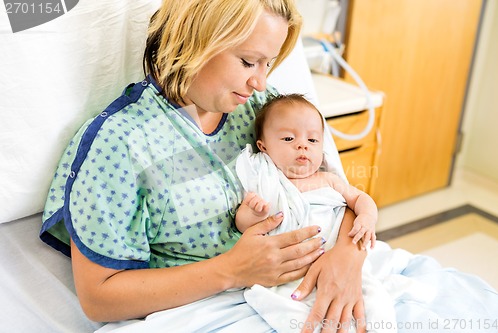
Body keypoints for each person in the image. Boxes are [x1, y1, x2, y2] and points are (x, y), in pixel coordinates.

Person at [40, 1, 368, 332]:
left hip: (311, 282)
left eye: (267, 64)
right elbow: (98, 298)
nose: (260, 82)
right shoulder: (120, 143)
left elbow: (334, 190)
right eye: (248, 62)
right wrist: (232, 270)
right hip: (216, 311)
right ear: (195, 40)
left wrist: (347, 259)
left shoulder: (259, 108)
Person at [234, 93, 396, 333]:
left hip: (339, 263)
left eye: (312, 140)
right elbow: (243, 226)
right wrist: (253, 213)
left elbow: (361, 199)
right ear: (263, 146)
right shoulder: (265, 181)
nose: (302, 145)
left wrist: (367, 217)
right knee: (296, 315)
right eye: (289, 138)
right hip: (292, 273)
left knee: (377, 310)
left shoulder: (328, 180)